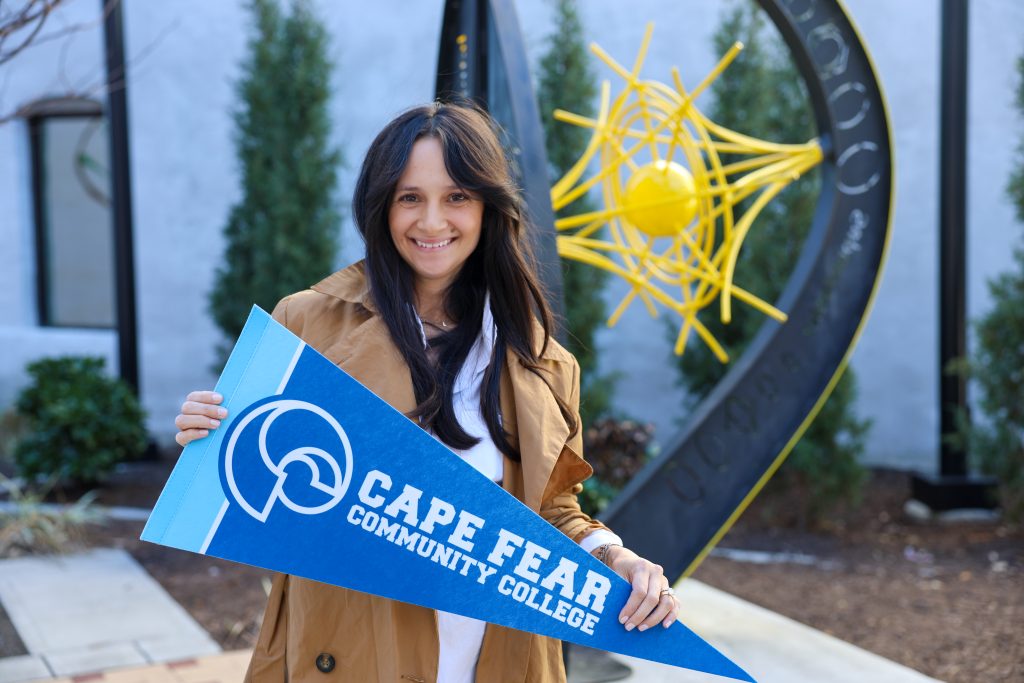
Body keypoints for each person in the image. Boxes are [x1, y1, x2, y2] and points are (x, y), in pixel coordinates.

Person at [174, 102, 679, 683]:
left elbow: (550, 514)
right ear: (381, 206)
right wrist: (207, 436)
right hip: (354, 651)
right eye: (410, 197)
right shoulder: (307, 324)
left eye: (457, 197)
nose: (432, 221)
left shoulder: (543, 362)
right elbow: (251, 483)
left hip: (497, 658)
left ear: (489, 207)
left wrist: (617, 557)